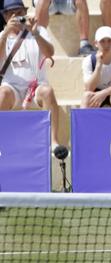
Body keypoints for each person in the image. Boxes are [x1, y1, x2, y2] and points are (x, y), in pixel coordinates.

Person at [0, 0, 64, 152]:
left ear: (25, 13)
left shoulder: (38, 30)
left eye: (20, 13)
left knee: (48, 92)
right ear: (5, 17)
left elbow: (50, 53)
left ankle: (53, 141)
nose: (16, 17)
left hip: (36, 87)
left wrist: (34, 32)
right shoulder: (2, 35)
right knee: (1, 94)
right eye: (12, 14)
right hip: (12, 88)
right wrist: (6, 33)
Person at [81, 26, 111, 108]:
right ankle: (82, 121)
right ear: (96, 43)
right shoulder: (88, 60)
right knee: (86, 96)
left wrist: (104, 93)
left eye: (109, 41)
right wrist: (98, 66)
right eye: (102, 41)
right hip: (96, 91)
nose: (106, 45)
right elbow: (89, 88)